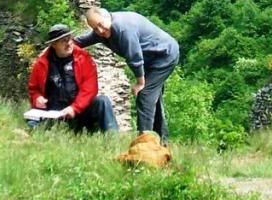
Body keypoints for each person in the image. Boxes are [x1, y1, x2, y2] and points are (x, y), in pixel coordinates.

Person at [75, 8, 179, 143]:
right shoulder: (101, 33)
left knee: (145, 94)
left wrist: (140, 83)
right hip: (151, 59)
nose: (100, 30)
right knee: (152, 98)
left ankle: (144, 143)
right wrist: (56, 47)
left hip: (164, 55)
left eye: (100, 24)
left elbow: (134, 57)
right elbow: (81, 41)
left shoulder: (123, 28)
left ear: (107, 16)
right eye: (95, 28)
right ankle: (162, 142)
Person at [26, 23, 118, 133]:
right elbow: (34, 89)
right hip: (53, 112)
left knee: (102, 101)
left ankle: (112, 137)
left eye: (70, 39)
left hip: (79, 112)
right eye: (64, 41)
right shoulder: (41, 63)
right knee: (32, 124)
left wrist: (74, 108)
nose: (69, 43)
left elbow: (90, 89)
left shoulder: (84, 59)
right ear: (54, 44)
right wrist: (37, 98)